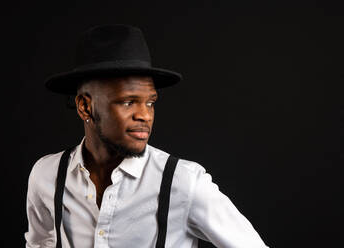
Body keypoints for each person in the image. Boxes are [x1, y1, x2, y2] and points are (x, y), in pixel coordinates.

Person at [25, 24, 269, 248]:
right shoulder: (47, 175)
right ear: (85, 107)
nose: (145, 115)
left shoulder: (183, 182)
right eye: (128, 102)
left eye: (150, 103)